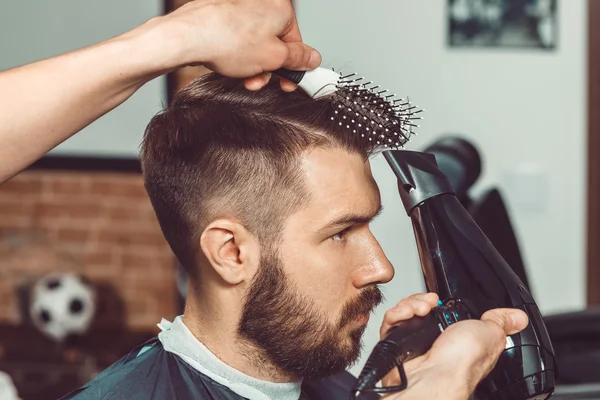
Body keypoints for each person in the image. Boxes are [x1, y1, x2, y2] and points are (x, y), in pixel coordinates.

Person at [0, 1, 529, 399]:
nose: (382, 268)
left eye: (368, 226)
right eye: (340, 232)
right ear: (231, 252)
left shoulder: (331, 384)